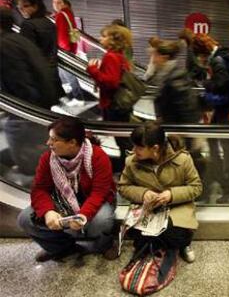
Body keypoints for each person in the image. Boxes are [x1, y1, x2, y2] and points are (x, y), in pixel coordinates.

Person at [17, 117, 118, 262]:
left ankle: (104, 246)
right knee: (25, 219)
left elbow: (99, 193)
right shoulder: (48, 159)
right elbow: (39, 189)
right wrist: (48, 212)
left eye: (54, 139)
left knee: (101, 221)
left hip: (94, 201)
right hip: (62, 201)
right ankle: (62, 248)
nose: (48, 143)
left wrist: (82, 215)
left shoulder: (97, 157)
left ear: (72, 143)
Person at [118, 122, 202, 263]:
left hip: (177, 206)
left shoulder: (182, 159)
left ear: (155, 148)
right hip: (148, 207)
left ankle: (182, 245)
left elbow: (196, 187)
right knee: (140, 236)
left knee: (175, 235)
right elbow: (123, 187)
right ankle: (156, 245)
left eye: (139, 147)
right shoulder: (131, 162)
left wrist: (171, 195)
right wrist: (143, 193)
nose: (134, 150)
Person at [0, 6, 55, 176]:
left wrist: (24, 111)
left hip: (28, 110)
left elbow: (20, 81)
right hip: (40, 104)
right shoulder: (18, 39)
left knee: (20, 139)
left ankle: (33, 182)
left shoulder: (4, 45)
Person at [192, 33, 229, 203]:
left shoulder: (217, 60)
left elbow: (222, 84)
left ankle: (224, 186)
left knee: (214, 148)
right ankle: (227, 180)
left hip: (224, 109)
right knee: (221, 145)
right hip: (227, 108)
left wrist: (205, 84)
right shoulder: (222, 55)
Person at [86, 24, 133, 172]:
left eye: (104, 36)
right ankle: (128, 164)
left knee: (122, 139)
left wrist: (93, 70)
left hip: (113, 104)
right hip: (120, 104)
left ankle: (129, 167)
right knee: (122, 138)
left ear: (113, 39)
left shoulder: (111, 56)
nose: (101, 38)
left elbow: (111, 82)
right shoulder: (120, 56)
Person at [15, 0, 65, 101]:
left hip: (37, 78)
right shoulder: (49, 23)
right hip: (52, 74)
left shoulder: (28, 25)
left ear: (36, 6)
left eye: (25, 6)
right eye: (19, 7)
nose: (21, 10)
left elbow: (28, 55)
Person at [52, 0, 84, 107]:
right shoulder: (68, 12)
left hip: (64, 49)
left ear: (64, 3)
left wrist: (62, 50)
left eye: (58, 2)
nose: (55, 5)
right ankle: (70, 94)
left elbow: (61, 36)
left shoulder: (61, 15)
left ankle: (78, 97)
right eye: (54, 2)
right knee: (63, 72)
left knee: (69, 73)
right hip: (71, 46)